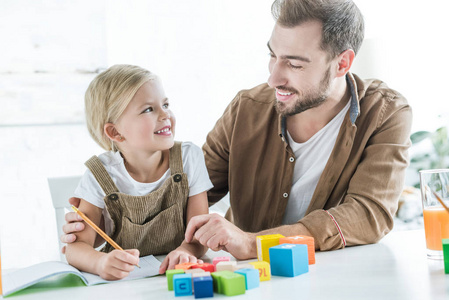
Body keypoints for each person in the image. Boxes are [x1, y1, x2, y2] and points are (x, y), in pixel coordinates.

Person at [62, 0, 412, 260]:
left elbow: (368, 215)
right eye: (273, 56)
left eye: (294, 63)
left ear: (343, 63)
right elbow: (184, 192)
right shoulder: (248, 107)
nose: (274, 77)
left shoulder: (385, 114)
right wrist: (110, 219)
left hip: (334, 280)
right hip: (252, 283)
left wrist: (255, 242)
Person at [64, 64, 212, 280]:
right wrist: (101, 262)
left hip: (180, 276)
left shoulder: (189, 157)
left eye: (165, 104)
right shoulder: (100, 174)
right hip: (126, 285)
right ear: (115, 132)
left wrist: (186, 252)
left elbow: (200, 231)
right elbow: (75, 248)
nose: (165, 115)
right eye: (148, 109)